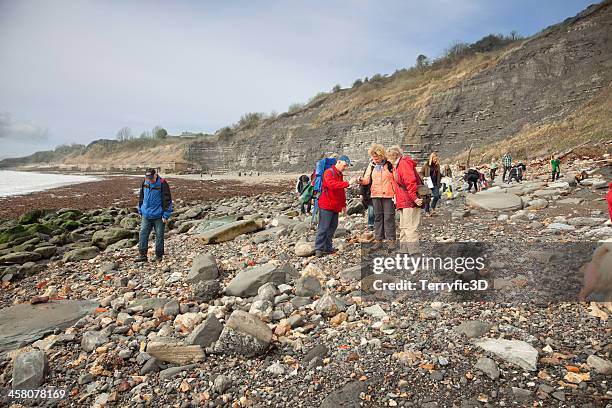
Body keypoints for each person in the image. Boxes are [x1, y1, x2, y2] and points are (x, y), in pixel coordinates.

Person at [315, 155, 355, 257]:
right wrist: (347, 183)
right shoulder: (329, 172)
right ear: (339, 162)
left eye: (346, 166)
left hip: (335, 206)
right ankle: (319, 249)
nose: (345, 168)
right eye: (344, 165)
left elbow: (341, 192)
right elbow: (331, 185)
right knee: (323, 227)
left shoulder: (339, 174)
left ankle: (327, 247)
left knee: (332, 227)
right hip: (326, 205)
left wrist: (343, 205)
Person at [387, 146, 422, 252]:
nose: (387, 160)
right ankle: (404, 250)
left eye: (388, 157)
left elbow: (410, 182)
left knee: (409, 227)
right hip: (403, 200)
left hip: (409, 201)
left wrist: (415, 198)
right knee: (403, 227)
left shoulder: (403, 164)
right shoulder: (398, 165)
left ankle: (414, 252)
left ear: (392, 156)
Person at [359, 144, 396, 241]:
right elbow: (367, 180)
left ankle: (391, 240)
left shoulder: (389, 164)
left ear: (381, 155)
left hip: (388, 195)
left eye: (376, 157)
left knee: (389, 217)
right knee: (378, 217)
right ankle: (379, 239)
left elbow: (396, 178)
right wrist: (360, 180)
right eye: (373, 157)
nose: (374, 160)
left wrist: (396, 193)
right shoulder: (371, 166)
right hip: (375, 195)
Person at [137, 168, 173, 262]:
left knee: (159, 236)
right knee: (143, 234)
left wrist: (165, 216)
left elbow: (168, 201)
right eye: (147, 177)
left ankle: (159, 256)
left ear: (155, 175)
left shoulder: (162, 183)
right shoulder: (145, 182)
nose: (149, 180)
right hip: (146, 214)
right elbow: (141, 197)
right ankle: (142, 255)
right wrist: (140, 209)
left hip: (159, 215)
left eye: (151, 177)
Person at [359, 164, 374, 231]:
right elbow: (363, 182)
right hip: (369, 194)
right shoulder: (368, 170)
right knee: (371, 210)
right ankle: (371, 224)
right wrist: (361, 193)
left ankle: (376, 224)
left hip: (375, 193)